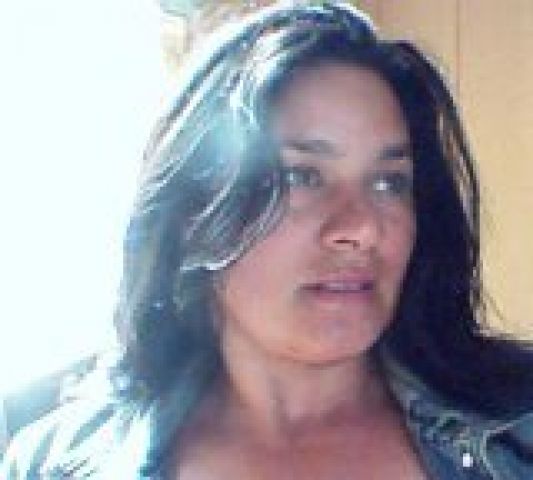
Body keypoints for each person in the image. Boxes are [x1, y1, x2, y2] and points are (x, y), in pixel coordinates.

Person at [2, 1, 533, 478]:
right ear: (194, 210)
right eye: (303, 176)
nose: (362, 228)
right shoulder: (55, 463)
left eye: (389, 182)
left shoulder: (517, 435)